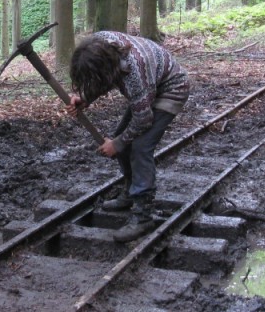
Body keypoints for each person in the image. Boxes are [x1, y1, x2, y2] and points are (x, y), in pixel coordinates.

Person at [67, 31, 189, 242]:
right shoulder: (100, 44)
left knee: (140, 146)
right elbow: (104, 77)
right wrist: (85, 97)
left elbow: (143, 120)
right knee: (122, 139)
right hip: (150, 86)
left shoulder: (134, 74)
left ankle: (143, 217)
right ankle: (130, 192)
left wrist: (118, 143)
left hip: (171, 89)